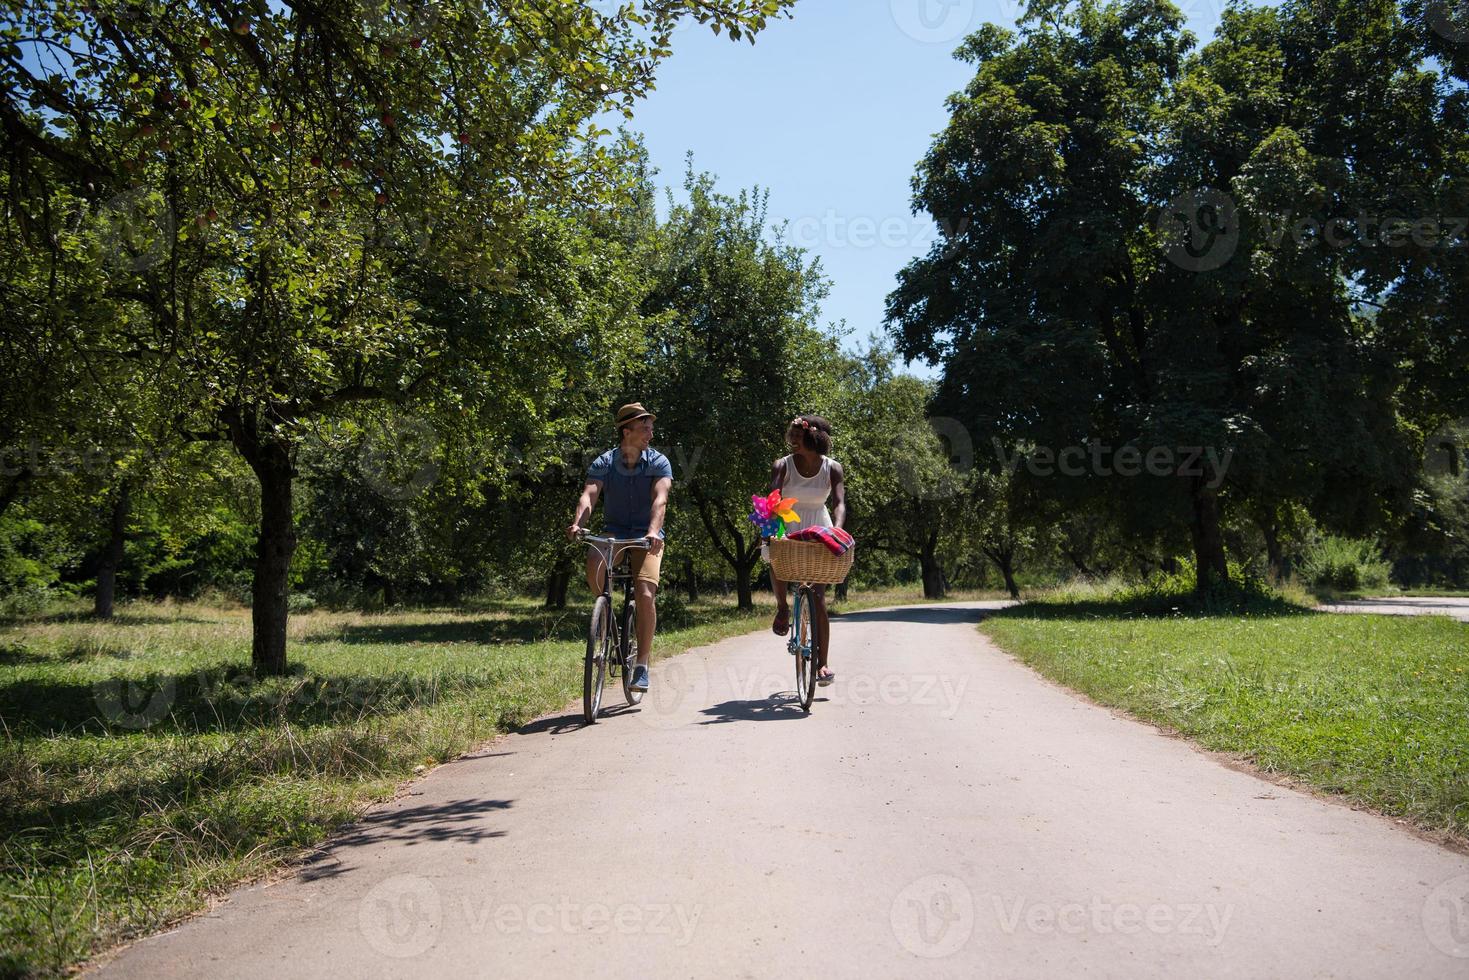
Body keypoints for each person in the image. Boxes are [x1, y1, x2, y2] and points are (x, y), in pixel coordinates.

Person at [566, 402, 672, 693]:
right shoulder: (603, 463)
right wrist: (578, 523)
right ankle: (606, 615)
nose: (650, 433)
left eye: (651, 427)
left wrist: (653, 531)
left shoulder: (659, 462)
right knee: (593, 564)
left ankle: (641, 665)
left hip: (646, 535)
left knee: (646, 592)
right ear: (627, 431)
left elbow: (659, 499)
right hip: (614, 532)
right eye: (644, 428)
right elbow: (589, 496)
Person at [768, 414, 846, 686]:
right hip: (786, 520)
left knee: (819, 597)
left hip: (819, 524)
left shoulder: (833, 468)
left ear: (816, 439)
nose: (793, 442)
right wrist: (773, 530)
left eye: (799, 438)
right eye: (792, 437)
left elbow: (839, 503)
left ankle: (822, 664)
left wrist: (837, 529)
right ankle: (782, 608)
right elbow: (773, 498)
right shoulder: (783, 465)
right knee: (777, 557)